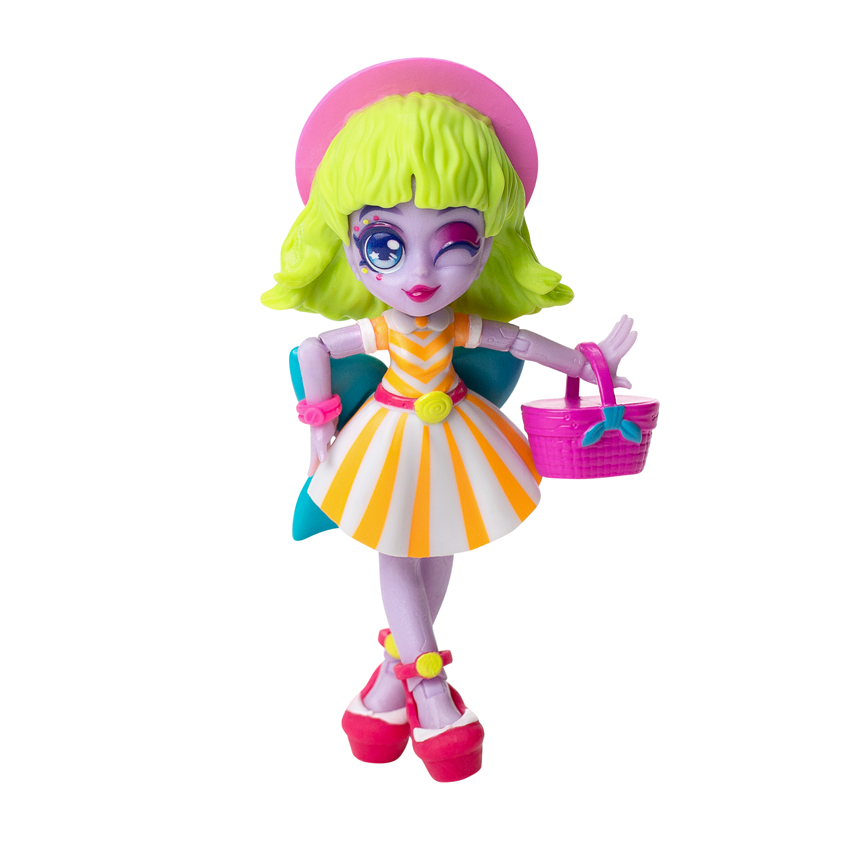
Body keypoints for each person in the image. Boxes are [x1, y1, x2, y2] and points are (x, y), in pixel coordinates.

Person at [262, 60, 636, 782]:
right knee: (397, 549)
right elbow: (313, 348)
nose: (420, 275)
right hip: (389, 439)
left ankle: (383, 692)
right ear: (348, 246)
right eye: (385, 246)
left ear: (488, 245)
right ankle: (429, 689)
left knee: (437, 544)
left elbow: (519, 342)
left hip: (456, 437)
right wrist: (319, 427)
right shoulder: (383, 327)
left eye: (454, 241)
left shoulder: (459, 323)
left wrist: (590, 365)